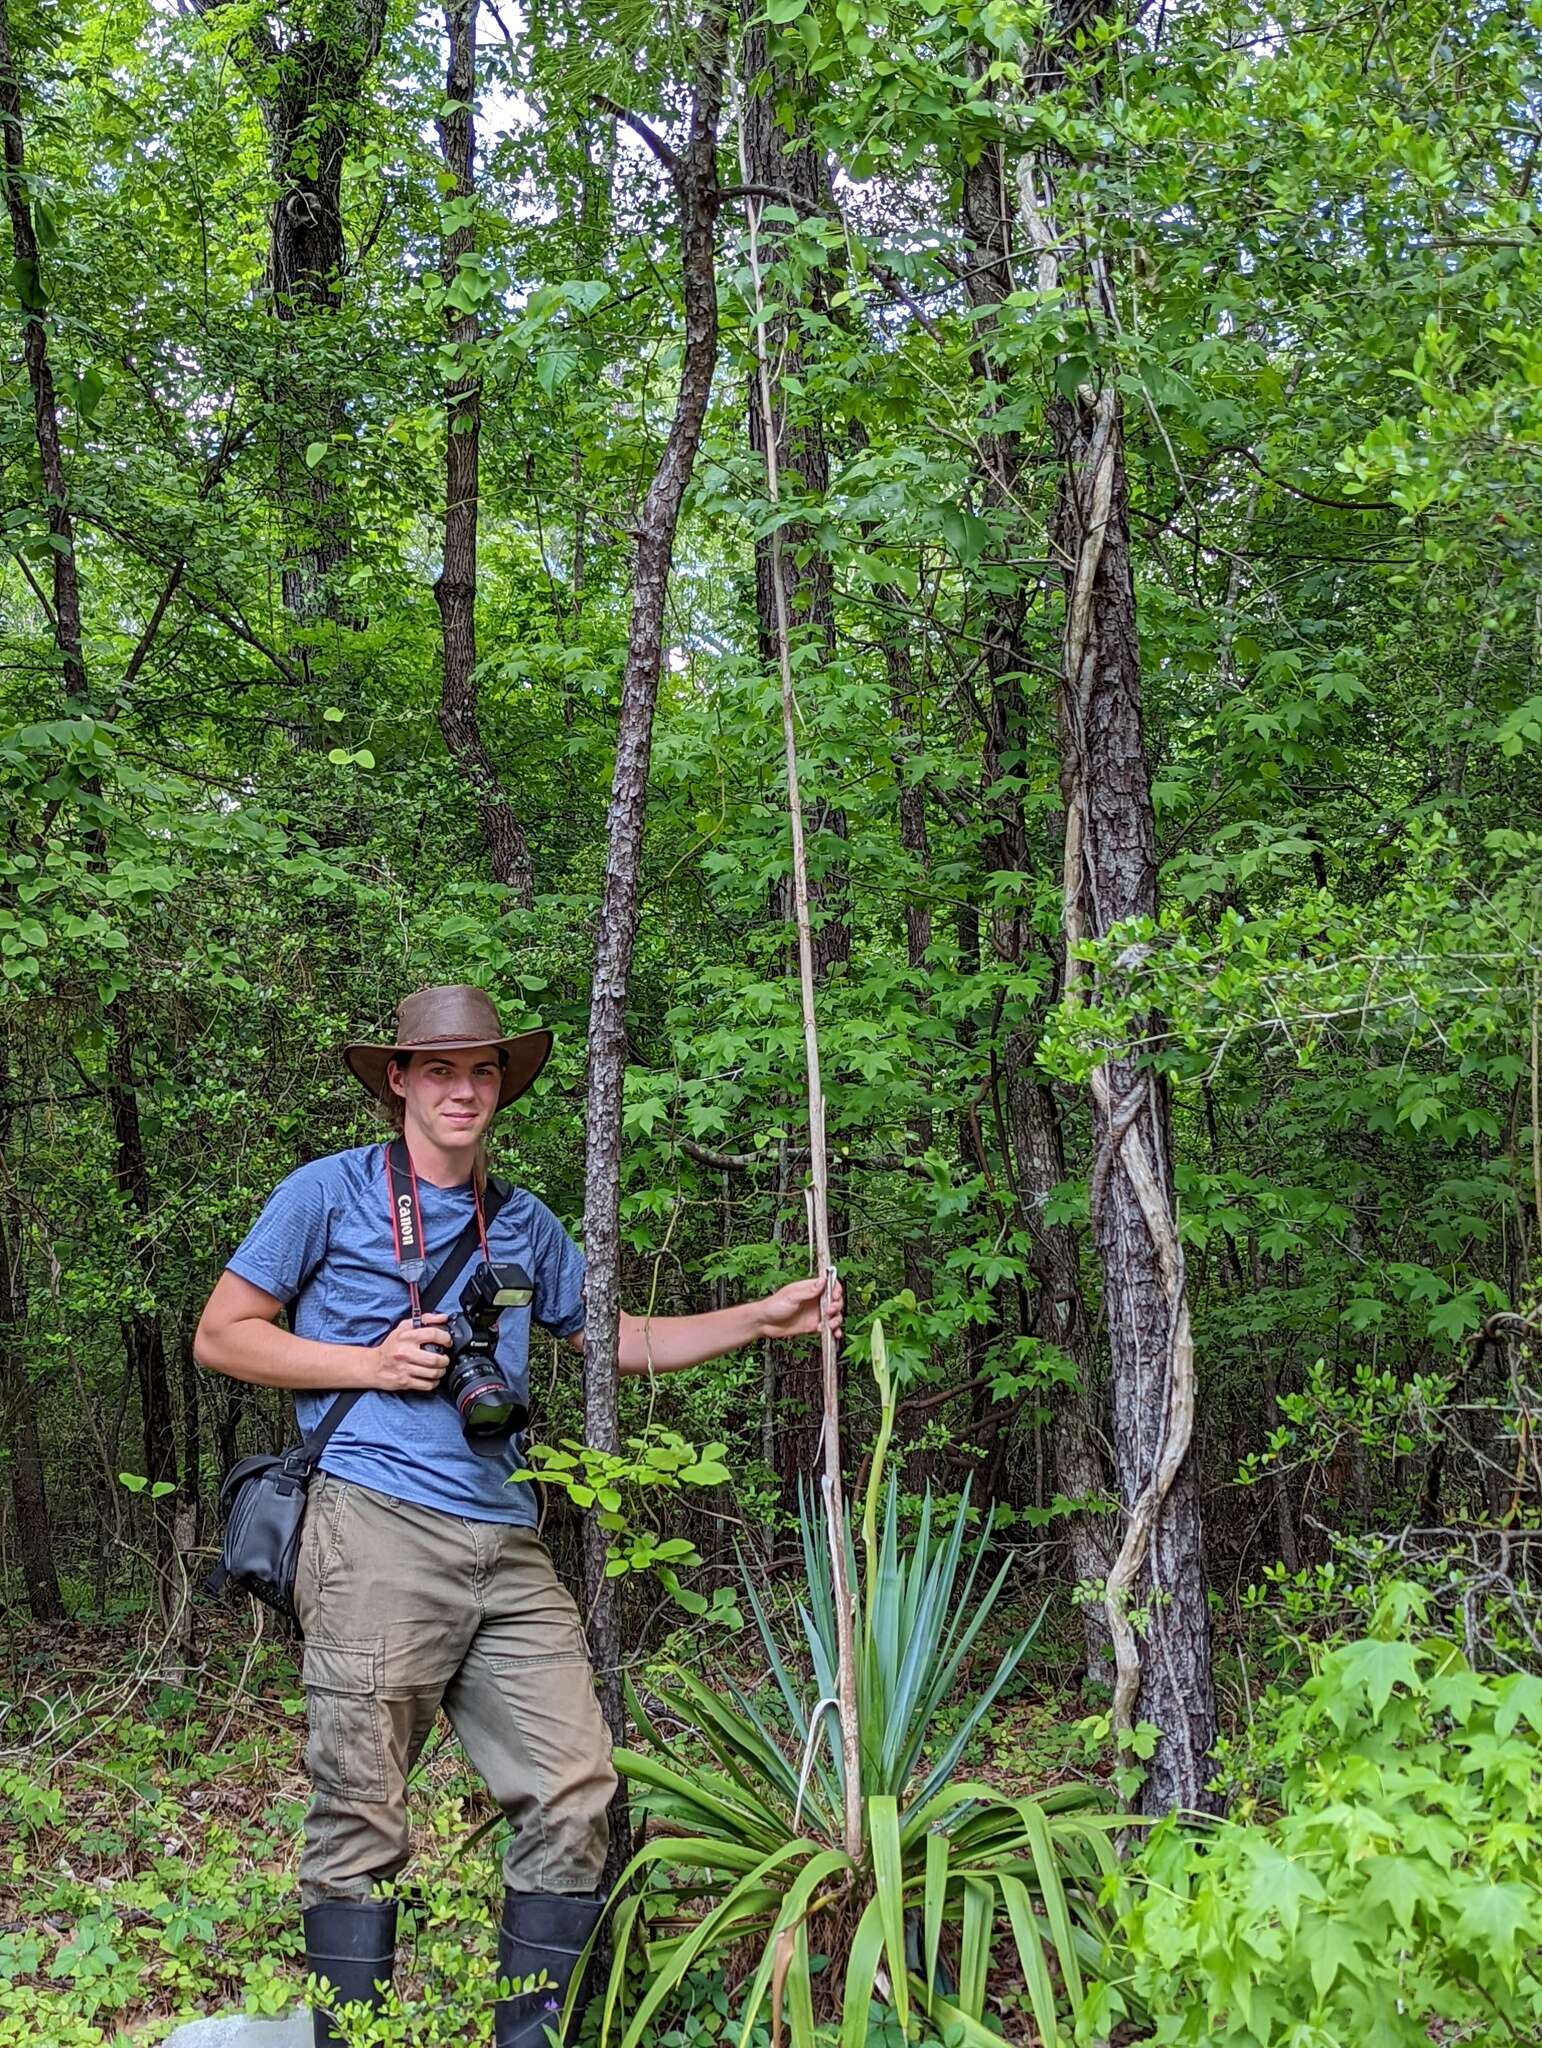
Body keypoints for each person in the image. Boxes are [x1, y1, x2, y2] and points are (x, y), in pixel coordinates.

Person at [194, 984, 843, 2047]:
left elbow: (615, 1337)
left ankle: (529, 2035)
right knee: (360, 1805)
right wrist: (372, 1361)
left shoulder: (528, 1221)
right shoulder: (328, 1192)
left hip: (507, 1537)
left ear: (503, 1085)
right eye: (439, 1069)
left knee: (573, 1783)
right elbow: (222, 1333)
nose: (463, 1088)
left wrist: (762, 1318)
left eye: (482, 1070)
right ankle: (352, 2035)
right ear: (397, 1079)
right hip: (371, 1520)